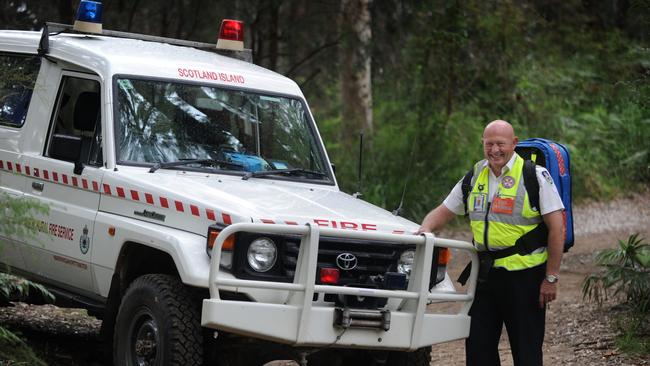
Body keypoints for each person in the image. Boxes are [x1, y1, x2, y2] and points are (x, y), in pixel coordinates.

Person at [418, 120, 564, 366]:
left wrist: (551, 278)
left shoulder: (534, 176)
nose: (495, 150)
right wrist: (425, 229)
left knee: (526, 350)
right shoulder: (475, 176)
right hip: (485, 275)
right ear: (483, 144)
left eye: (501, 144)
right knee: (478, 348)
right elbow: (444, 211)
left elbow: (557, 229)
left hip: (524, 277)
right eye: (490, 144)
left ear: (514, 143)